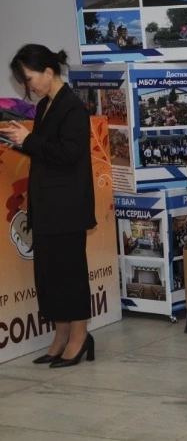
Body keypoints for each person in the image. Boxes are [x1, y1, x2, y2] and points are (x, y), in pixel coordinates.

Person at [0, 44, 97, 368]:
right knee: (50, 275)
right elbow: (44, 151)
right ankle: (61, 334)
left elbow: (68, 154)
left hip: (67, 207)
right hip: (45, 205)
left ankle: (80, 335)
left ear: (48, 72)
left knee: (70, 273)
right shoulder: (45, 106)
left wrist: (28, 140)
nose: (28, 87)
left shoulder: (73, 107)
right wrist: (18, 140)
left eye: (29, 79)